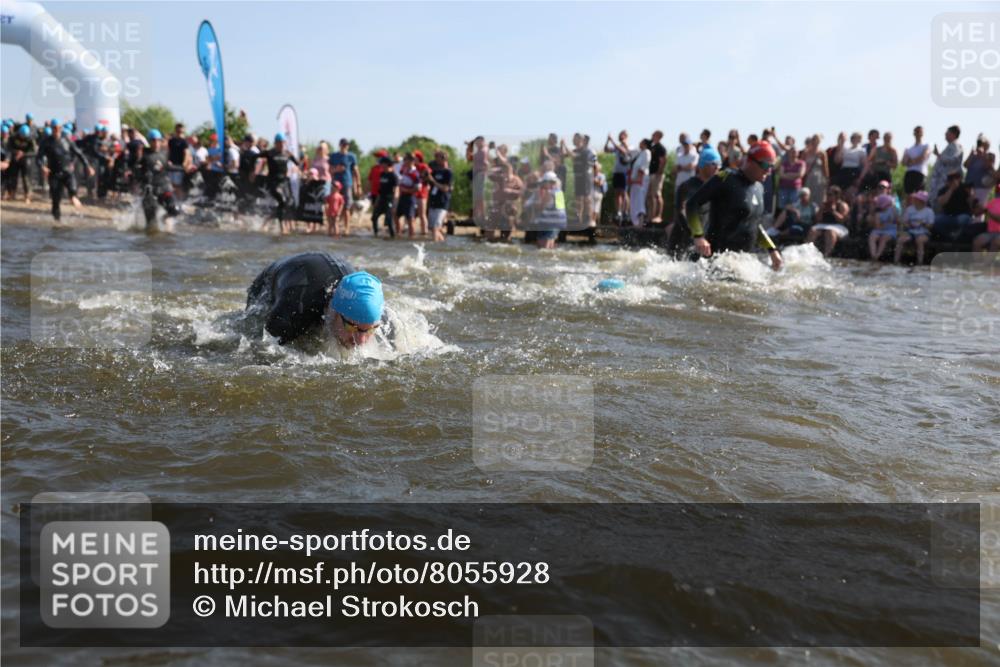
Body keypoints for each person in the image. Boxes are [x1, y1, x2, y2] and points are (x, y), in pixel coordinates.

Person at [678, 141, 783, 271]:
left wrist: (772, 250)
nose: (769, 170)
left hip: (742, 264)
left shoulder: (759, 188)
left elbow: (754, 224)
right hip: (716, 262)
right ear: (750, 161)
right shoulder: (726, 178)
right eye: (765, 165)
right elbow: (692, 204)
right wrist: (698, 237)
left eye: (772, 166)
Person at [245, 253, 384, 348]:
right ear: (335, 312)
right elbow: (262, 350)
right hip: (273, 279)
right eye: (352, 327)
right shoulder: (294, 310)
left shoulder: (377, 315)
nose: (360, 341)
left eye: (370, 330)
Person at [667, 145, 722, 254]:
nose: (717, 168)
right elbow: (682, 212)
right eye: (714, 164)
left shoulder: (717, 188)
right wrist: (697, 236)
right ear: (702, 165)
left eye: (719, 164)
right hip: (683, 242)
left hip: (702, 242)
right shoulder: (688, 187)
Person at [38, 119, 94, 222]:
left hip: (67, 172)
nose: (57, 130)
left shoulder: (67, 140)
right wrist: (42, 167)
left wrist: (88, 166)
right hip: (54, 174)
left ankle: (72, 197)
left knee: (73, 189)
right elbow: (39, 157)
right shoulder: (46, 142)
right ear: (51, 129)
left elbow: (79, 154)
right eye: (55, 128)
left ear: (61, 128)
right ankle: (57, 221)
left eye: (59, 128)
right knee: (56, 199)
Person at [135, 129, 181, 230]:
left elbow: (168, 167)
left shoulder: (165, 153)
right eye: (153, 141)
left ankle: (164, 219)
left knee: (175, 209)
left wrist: (183, 168)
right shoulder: (144, 154)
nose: (156, 143)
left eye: (157, 141)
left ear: (160, 141)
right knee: (151, 224)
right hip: (149, 190)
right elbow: (135, 170)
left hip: (164, 187)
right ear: (149, 141)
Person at [254, 133, 299, 234]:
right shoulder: (270, 153)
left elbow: (298, 164)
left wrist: (295, 169)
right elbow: (255, 157)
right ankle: (282, 227)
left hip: (283, 183)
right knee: (282, 201)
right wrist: (253, 171)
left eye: (282, 143)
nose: (281, 145)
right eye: (279, 143)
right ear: (275, 143)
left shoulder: (288, 154)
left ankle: (267, 220)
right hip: (272, 182)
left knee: (284, 204)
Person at [807, 185, 851, 257]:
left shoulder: (842, 205)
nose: (828, 196)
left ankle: (827, 254)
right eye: (827, 194)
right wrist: (821, 210)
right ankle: (808, 252)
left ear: (836, 196)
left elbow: (843, 220)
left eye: (830, 195)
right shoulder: (824, 205)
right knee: (813, 230)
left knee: (830, 232)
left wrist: (833, 211)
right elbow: (818, 219)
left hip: (838, 226)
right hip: (823, 225)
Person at [527, 171, 567, 249]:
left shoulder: (550, 193)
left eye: (544, 182)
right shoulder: (559, 192)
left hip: (549, 223)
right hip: (558, 223)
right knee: (550, 245)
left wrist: (533, 205)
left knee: (543, 247)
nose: (543, 184)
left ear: (549, 182)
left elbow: (541, 207)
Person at [329, 138, 361, 235]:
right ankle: (334, 227)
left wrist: (358, 185)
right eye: (343, 144)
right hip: (336, 185)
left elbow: (356, 171)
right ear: (340, 145)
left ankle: (347, 228)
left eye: (346, 145)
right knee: (334, 207)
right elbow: (330, 170)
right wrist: (337, 170)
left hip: (347, 183)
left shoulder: (352, 156)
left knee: (347, 206)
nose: (345, 146)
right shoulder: (334, 156)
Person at [932, 170, 975, 241]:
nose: (954, 180)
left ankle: (957, 235)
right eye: (951, 178)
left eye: (956, 177)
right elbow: (942, 202)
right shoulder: (943, 190)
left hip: (962, 216)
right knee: (936, 220)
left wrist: (971, 195)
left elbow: (972, 204)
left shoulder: (965, 187)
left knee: (963, 219)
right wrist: (951, 189)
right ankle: (949, 236)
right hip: (948, 216)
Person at [895, 190, 934, 265]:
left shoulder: (929, 211)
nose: (915, 200)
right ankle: (896, 261)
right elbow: (905, 222)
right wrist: (909, 225)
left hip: (924, 232)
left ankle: (919, 262)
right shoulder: (910, 209)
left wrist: (923, 223)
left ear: (922, 201)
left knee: (919, 240)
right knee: (900, 239)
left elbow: (930, 226)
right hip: (911, 231)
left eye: (917, 199)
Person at [928, 125, 963, 208]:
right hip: (939, 182)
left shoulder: (956, 146)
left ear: (954, 134)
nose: (945, 135)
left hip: (945, 182)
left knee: (939, 205)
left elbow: (953, 160)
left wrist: (938, 155)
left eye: (947, 133)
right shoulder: (950, 146)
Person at [604, 130, 632, 224]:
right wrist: (607, 141)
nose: (620, 137)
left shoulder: (628, 146)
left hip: (624, 173)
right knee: (617, 193)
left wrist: (612, 140)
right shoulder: (617, 146)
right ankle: (618, 212)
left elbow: (623, 150)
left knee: (624, 193)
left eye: (622, 135)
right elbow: (606, 150)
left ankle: (626, 211)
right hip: (617, 172)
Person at [571, 134, 597, 227]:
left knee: (587, 198)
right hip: (578, 177)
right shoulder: (576, 150)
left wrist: (564, 145)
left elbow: (574, 156)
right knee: (578, 198)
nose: (573, 141)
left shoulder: (585, 150)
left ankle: (588, 218)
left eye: (574, 139)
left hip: (585, 177)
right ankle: (578, 217)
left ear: (580, 140)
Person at [5, 123, 35, 202]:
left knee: (26, 178)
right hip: (15, 159)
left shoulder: (30, 138)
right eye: (22, 136)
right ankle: (12, 194)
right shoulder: (13, 137)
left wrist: (23, 153)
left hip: (26, 160)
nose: (23, 138)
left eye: (24, 137)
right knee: (13, 177)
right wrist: (16, 152)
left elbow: (34, 151)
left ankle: (27, 195)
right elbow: (8, 148)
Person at [427, 150, 453, 242]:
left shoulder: (448, 172)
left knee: (435, 228)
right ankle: (442, 244)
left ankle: (434, 248)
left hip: (443, 203)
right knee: (433, 228)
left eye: (437, 157)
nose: (435, 160)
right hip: (433, 202)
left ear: (443, 159)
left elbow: (446, 188)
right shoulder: (435, 171)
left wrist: (433, 181)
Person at [964, 134, 995, 207]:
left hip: (981, 188)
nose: (980, 145)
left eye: (982, 143)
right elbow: (965, 165)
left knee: (978, 209)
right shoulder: (974, 155)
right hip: (969, 187)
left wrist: (983, 155)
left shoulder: (990, 155)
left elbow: (988, 166)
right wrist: (971, 154)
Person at [371, 156, 397, 239]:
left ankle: (393, 236)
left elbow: (396, 190)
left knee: (389, 220)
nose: (381, 165)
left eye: (382, 163)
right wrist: (377, 201)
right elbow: (380, 189)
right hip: (381, 199)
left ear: (387, 164)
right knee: (374, 217)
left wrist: (394, 203)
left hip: (389, 199)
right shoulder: (382, 174)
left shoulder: (393, 175)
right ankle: (376, 234)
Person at [867, 193, 898, 261]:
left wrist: (892, 220)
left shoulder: (893, 210)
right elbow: (878, 226)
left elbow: (897, 220)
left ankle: (877, 255)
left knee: (883, 238)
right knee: (872, 236)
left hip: (891, 230)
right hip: (880, 230)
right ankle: (873, 255)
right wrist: (886, 223)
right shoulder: (878, 214)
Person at [801, 134, 829, 210]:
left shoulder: (822, 153)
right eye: (814, 140)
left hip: (819, 178)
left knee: (819, 199)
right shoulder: (805, 152)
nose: (816, 142)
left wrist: (827, 179)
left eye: (817, 140)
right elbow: (801, 165)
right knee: (808, 197)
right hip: (809, 178)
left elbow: (825, 167)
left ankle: (817, 217)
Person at [396, 153, 420, 238]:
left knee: (410, 218)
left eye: (405, 160)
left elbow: (418, 188)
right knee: (397, 215)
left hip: (410, 198)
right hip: (402, 197)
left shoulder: (415, 173)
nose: (404, 161)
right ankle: (398, 234)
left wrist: (406, 190)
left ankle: (411, 236)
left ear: (411, 161)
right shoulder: (404, 170)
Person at [629, 138, 651, 227]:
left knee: (639, 201)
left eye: (641, 142)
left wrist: (639, 179)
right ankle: (636, 222)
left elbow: (644, 166)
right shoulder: (640, 153)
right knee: (634, 201)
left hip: (640, 181)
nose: (639, 143)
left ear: (645, 144)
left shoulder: (646, 152)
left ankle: (640, 223)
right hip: (635, 181)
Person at [902, 126, 930, 195]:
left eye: (919, 132)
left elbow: (923, 157)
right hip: (909, 174)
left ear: (922, 133)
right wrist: (915, 160)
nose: (918, 133)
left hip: (920, 174)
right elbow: (904, 162)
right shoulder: (909, 148)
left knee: (919, 195)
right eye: (916, 132)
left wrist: (910, 161)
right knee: (909, 196)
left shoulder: (926, 146)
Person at [776, 145, 806, 212]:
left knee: (795, 207)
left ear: (798, 153)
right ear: (789, 153)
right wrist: (794, 175)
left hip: (795, 189)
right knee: (782, 207)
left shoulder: (801, 163)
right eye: (791, 152)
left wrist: (787, 174)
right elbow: (781, 175)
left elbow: (800, 175)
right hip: (783, 188)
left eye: (795, 152)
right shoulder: (784, 163)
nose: (793, 153)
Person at [647, 130, 668, 223]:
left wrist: (659, 172)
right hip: (651, 173)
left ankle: (658, 216)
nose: (652, 135)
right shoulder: (653, 146)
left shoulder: (660, 148)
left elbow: (663, 160)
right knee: (650, 195)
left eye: (654, 134)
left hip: (657, 174)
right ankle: (651, 215)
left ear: (658, 136)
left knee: (657, 194)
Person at [592, 162, 606, 226]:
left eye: (595, 167)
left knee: (596, 208)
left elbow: (601, 183)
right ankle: (591, 221)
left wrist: (594, 180)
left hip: (598, 193)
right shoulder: (591, 175)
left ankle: (594, 221)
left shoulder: (601, 175)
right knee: (591, 208)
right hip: (591, 193)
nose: (594, 169)